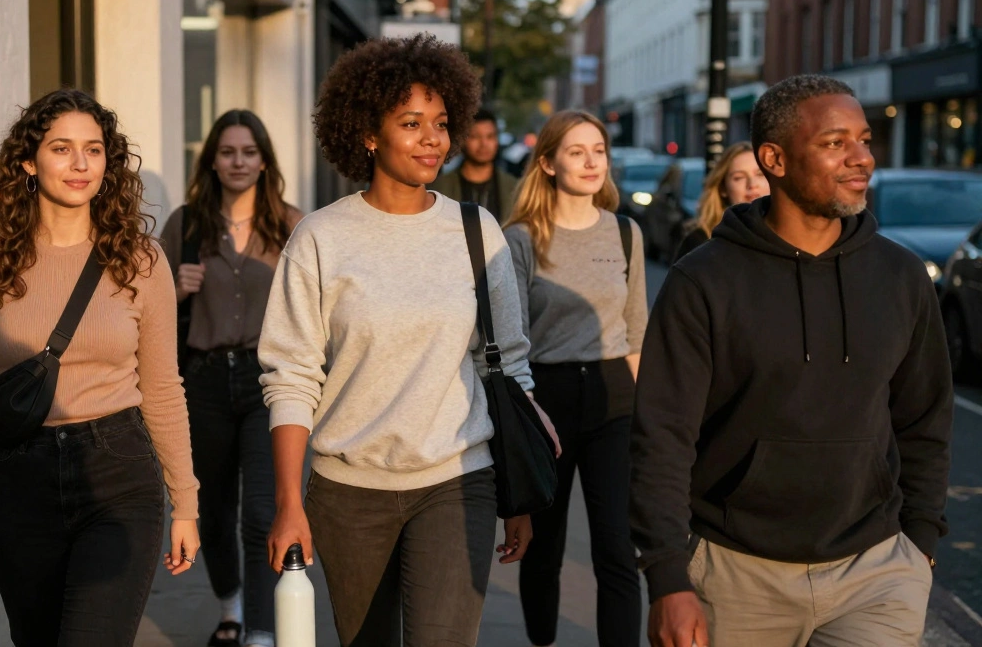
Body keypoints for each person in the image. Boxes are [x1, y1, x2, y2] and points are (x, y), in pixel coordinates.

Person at [631, 75, 953, 647]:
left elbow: (925, 416)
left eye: (864, 139)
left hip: (875, 573)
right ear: (774, 159)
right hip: (736, 574)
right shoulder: (702, 281)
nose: (861, 159)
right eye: (835, 143)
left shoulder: (901, 277)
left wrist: (920, 539)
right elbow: (662, 436)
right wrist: (667, 578)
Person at [260, 35, 554, 646]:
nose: (433, 139)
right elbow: (290, 376)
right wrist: (290, 502)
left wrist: (518, 489)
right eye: (411, 123)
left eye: (442, 123)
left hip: (458, 478)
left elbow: (508, 363)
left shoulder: (477, 231)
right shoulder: (321, 238)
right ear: (368, 133)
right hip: (347, 492)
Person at [0, 89, 201, 646]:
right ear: (28, 161)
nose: (79, 164)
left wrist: (186, 502)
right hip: (20, 482)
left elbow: (164, 388)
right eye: (62, 148)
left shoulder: (141, 260)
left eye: (93, 150)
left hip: (118, 474)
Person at [504, 110, 646, 647]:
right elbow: (511, 338)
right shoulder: (519, 239)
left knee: (616, 547)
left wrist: (649, 423)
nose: (591, 162)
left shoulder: (627, 233)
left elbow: (636, 335)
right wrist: (521, 419)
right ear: (547, 163)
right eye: (576, 151)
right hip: (545, 400)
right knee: (543, 547)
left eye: (599, 151)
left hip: (614, 397)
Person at [161, 110, 302, 647]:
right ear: (212, 161)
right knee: (212, 511)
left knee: (264, 511)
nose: (238, 161)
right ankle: (232, 607)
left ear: (264, 160)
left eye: (248, 152)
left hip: (272, 383)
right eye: (227, 152)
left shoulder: (292, 224)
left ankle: (262, 632)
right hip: (203, 383)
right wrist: (174, 288)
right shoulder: (186, 224)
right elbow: (144, 308)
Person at [673, 142, 769, 261]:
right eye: (739, 177)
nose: (752, 184)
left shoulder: (789, 236)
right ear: (723, 188)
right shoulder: (700, 240)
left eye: (760, 174)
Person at [431, 109, 520, 221]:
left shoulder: (514, 188)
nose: (483, 144)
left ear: (497, 140)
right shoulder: (440, 188)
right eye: (475, 136)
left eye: (490, 136)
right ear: (462, 140)